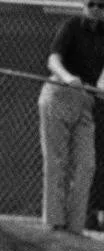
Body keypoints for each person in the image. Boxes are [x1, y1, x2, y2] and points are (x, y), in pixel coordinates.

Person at [38, 1, 104, 234]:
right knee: (57, 161)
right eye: (91, 4)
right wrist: (67, 77)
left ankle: (75, 228)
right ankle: (55, 223)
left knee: (86, 164)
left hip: (86, 99)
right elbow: (53, 59)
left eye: (102, 5)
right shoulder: (72, 26)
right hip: (59, 93)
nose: (96, 9)